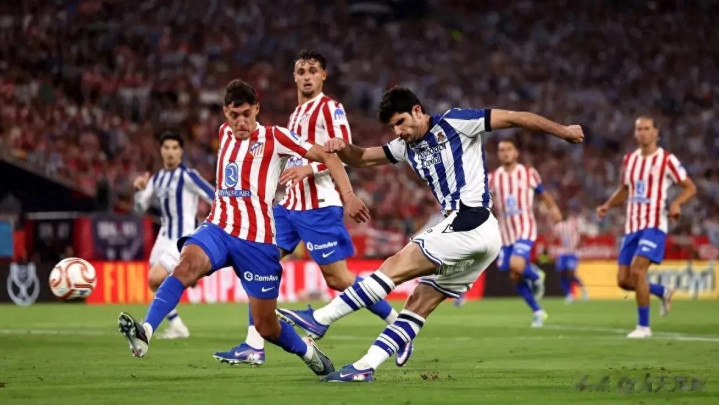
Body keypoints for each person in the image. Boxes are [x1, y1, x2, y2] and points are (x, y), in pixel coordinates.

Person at [277, 87, 584, 382]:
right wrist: (341, 147)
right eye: (392, 126)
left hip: (470, 219)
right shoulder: (405, 146)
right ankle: (365, 366)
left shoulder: (456, 122)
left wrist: (564, 131)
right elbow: (362, 158)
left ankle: (321, 319)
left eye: (401, 122)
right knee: (419, 301)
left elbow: (515, 117)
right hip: (481, 235)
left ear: (417, 110)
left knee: (394, 265)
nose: (398, 131)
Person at [117, 79, 370, 378]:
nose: (240, 122)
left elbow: (327, 155)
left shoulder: (276, 137)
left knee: (267, 326)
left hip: (257, 241)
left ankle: (306, 351)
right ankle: (146, 331)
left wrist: (348, 196)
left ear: (257, 109)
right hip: (219, 228)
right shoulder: (223, 133)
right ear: (225, 112)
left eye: (247, 114)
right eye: (234, 115)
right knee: (185, 266)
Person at [212, 50, 404, 367]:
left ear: (323, 76)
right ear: (294, 77)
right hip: (288, 206)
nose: (306, 76)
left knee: (338, 278)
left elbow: (344, 152)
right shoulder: (296, 115)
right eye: (301, 71)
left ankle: (397, 323)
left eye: (313, 70)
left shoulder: (330, 108)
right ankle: (253, 345)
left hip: (318, 206)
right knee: (257, 259)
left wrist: (310, 169)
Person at [597, 116, 696, 338]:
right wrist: (607, 205)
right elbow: (625, 188)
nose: (642, 132)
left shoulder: (667, 159)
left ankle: (644, 327)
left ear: (656, 132)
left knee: (637, 270)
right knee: (624, 281)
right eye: (639, 129)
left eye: (647, 128)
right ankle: (662, 291)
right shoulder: (629, 159)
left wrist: (676, 203)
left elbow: (690, 187)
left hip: (654, 224)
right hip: (632, 226)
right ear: (635, 133)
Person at [132, 131, 215, 339]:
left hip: (182, 238)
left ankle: (193, 272)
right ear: (161, 151)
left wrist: (211, 225)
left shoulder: (188, 176)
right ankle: (177, 325)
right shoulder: (156, 178)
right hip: (163, 237)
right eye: (166, 147)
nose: (170, 152)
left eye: (175, 148)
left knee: (155, 277)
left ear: (181, 152)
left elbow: (214, 196)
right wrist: (139, 190)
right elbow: (140, 208)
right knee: (154, 283)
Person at [489, 139, 563, 326]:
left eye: (509, 149)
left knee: (516, 265)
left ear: (516, 153)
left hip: (525, 229)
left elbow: (543, 194)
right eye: (501, 150)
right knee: (513, 274)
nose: (505, 152)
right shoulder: (492, 178)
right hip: (505, 234)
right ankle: (538, 311)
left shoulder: (529, 173)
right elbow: (485, 202)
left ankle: (537, 276)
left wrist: (553, 209)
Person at [552, 209, 588, 303]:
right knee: (562, 273)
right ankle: (569, 294)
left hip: (573, 252)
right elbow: (553, 236)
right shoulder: (559, 225)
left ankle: (583, 290)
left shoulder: (574, 223)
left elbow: (583, 233)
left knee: (571, 273)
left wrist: (579, 243)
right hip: (563, 252)